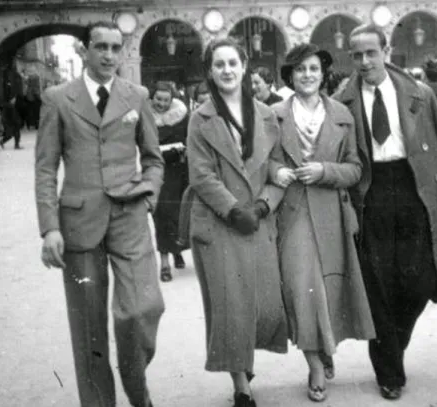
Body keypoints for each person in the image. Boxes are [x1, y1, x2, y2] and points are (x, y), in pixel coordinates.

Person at [333, 23, 437, 400]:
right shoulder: (341, 101)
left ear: (387, 51)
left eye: (371, 53)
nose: (364, 61)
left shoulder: (420, 93)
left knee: (418, 282)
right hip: (370, 193)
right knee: (378, 285)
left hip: (414, 189)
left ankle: (393, 344)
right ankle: (390, 371)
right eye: (357, 55)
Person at [34, 21, 165, 407]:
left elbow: (154, 159)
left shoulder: (136, 95)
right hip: (79, 223)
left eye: (115, 47)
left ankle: (137, 392)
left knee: (141, 309)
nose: (109, 55)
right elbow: (45, 168)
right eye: (101, 47)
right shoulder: (58, 99)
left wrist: (148, 197)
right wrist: (49, 228)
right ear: (84, 50)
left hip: (129, 216)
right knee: (88, 329)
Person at [269, 43, 375, 402]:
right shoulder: (273, 115)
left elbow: (356, 169)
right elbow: (263, 162)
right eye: (300, 69)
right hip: (293, 211)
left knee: (327, 291)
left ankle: (324, 347)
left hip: (332, 213)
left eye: (314, 68)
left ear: (323, 73)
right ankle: (315, 363)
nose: (308, 75)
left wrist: (325, 171)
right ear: (290, 76)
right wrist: (277, 171)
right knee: (302, 288)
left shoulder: (342, 114)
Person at [186, 37, 287, 407]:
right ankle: (241, 385)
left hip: (258, 220)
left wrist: (263, 205)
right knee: (231, 306)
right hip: (220, 222)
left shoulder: (266, 115)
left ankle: (243, 359)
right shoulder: (201, 119)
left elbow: (277, 167)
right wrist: (232, 210)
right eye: (219, 64)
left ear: (244, 67)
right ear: (210, 71)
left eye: (233, 63)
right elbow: (201, 175)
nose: (227, 70)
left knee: (264, 306)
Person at [150, 81, 189, 282]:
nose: (162, 104)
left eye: (166, 100)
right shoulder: (144, 116)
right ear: (152, 98)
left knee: (178, 214)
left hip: (179, 172)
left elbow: (189, 139)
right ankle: (164, 262)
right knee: (161, 214)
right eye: (158, 99)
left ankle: (177, 251)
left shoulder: (182, 115)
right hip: (157, 172)